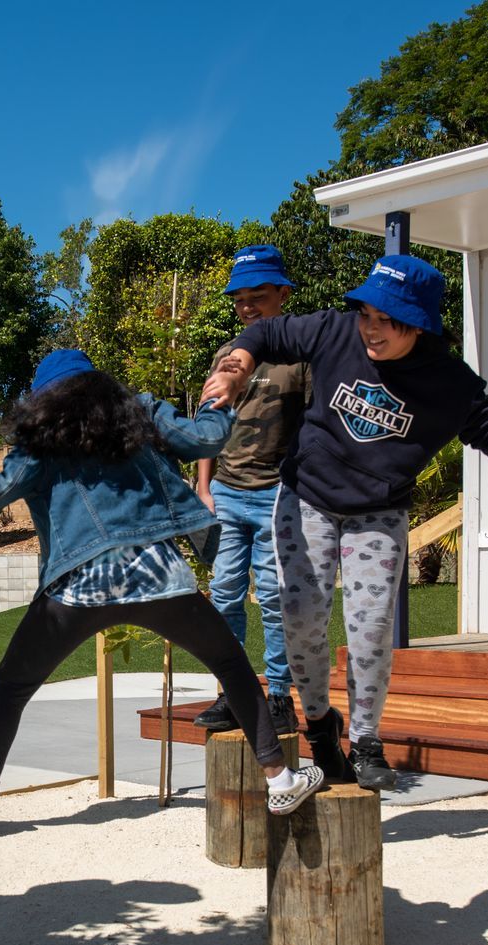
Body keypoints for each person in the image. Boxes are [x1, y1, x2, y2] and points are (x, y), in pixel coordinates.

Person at [0, 349, 325, 851]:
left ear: (42, 401)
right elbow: (206, 438)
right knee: (229, 662)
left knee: (10, 689)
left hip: (78, 586)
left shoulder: (37, 444)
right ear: (100, 385)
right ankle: (280, 781)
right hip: (158, 576)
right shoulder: (139, 415)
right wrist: (220, 396)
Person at [206, 254, 488, 791]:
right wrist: (238, 364)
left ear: (420, 323)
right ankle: (319, 725)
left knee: (370, 626)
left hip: (377, 512)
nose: (371, 330)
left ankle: (365, 738)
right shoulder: (335, 333)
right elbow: (267, 331)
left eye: (387, 321)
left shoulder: (449, 383)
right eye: (367, 315)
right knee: (301, 616)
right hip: (307, 497)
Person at [193, 244, 308, 738]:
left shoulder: (304, 354)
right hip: (227, 494)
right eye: (238, 299)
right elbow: (207, 422)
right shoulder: (227, 355)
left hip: (278, 495)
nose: (246, 307)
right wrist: (203, 485)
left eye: (257, 296)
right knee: (223, 597)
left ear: (283, 293)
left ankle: (279, 697)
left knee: (277, 598)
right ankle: (233, 694)